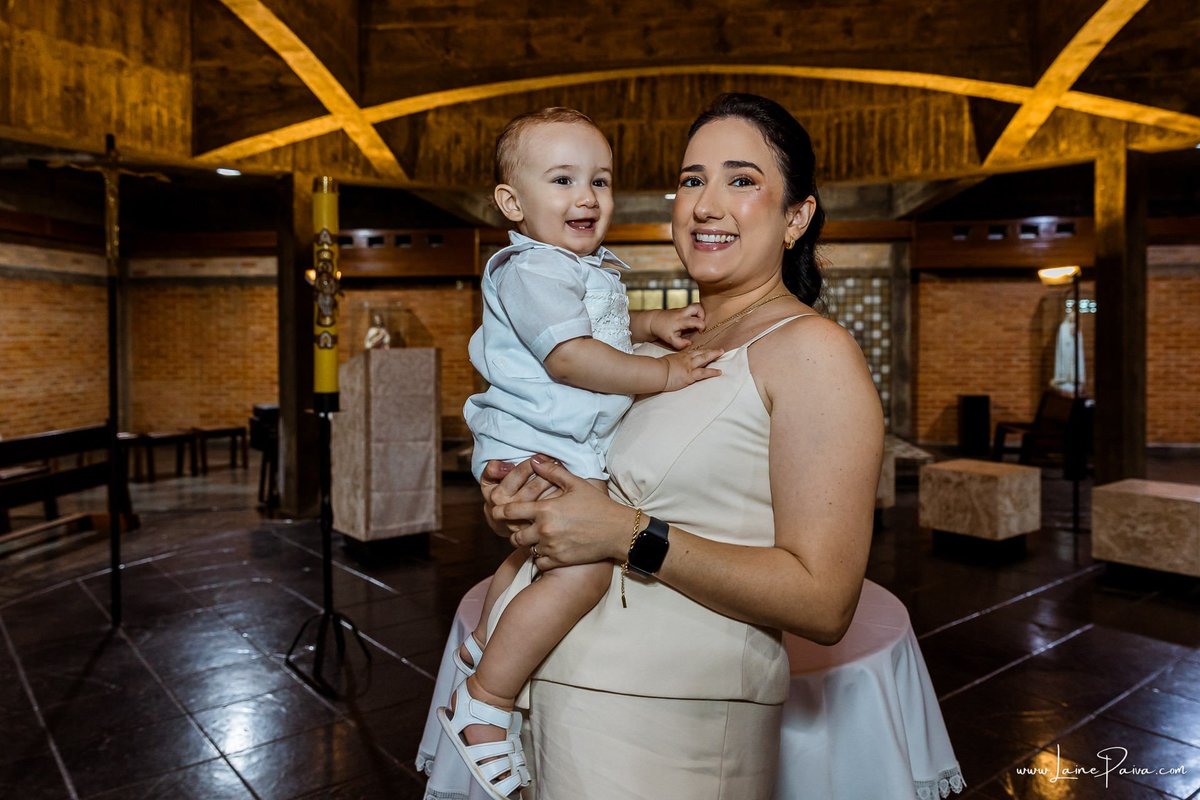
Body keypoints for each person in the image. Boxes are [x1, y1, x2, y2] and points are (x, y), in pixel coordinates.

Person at [479, 93, 885, 799]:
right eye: (692, 180)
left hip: (667, 731)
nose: (705, 204)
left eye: (741, 179)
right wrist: (523, 513)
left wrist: (628, 535)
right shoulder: (653, 342)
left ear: (797, 216)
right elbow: (589, 487)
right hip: (550, 699)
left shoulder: (812, 352)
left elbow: (825, 603)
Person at [441, 107, 724, 800]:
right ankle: (485, 703)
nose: (587, 196)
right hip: (533, 449)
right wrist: (663, 372)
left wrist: (656, 324)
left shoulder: (577, 268)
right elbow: (570, 356)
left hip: (550, 449)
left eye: (600, 179)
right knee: (583, 572)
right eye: (562, 179)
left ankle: (482, 641)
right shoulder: (529, 268)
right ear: (513, 202)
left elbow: (607, 325)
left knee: (541, 551)